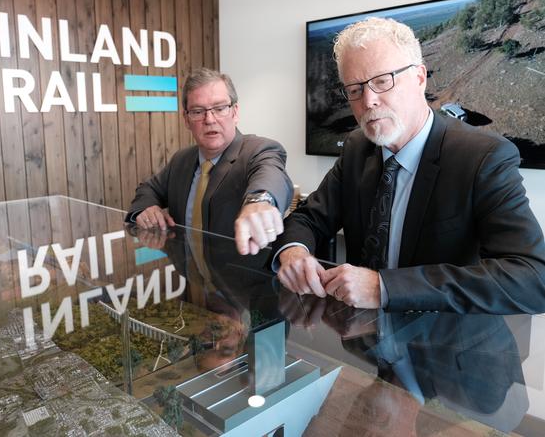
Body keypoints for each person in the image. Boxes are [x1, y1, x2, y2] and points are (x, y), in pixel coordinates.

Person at [274, 16, 545, 313]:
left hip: (449, 348)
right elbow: (309, 217)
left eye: (382, 81)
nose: (369, 101)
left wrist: (385, 288)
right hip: (364, 344)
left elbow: (532, 278)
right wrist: (293, 251)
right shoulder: (357, 148)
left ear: (419, 78)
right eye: (354, 89)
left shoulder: (482, 157)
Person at [126, 67, 293, 255]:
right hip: (189, 276)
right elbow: (148, 189)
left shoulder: (259, 150)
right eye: (198, 111)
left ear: (235, 112)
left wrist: (260, 200)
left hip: (240, 282)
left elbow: (271, 174)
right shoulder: (181, 160)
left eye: (220, 108)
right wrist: (147, 208)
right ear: (186, 119)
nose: (209, 119)